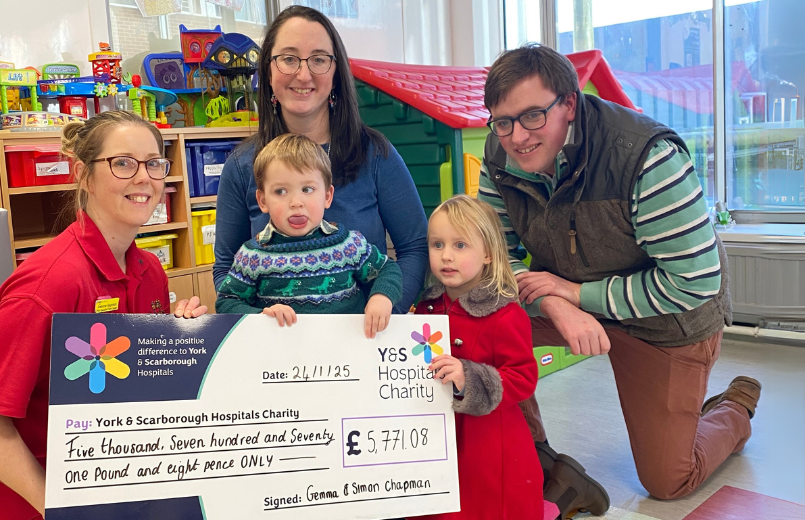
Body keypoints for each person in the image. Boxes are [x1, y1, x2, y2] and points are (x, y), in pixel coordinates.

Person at [478, 43, 760, 511]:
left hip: (668, 318)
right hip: (566, 296)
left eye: (532, 116)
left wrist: (577, 294)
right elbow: (494, 263)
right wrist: (554, 303)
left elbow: (693, 282)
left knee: (668, 480)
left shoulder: (648, 157)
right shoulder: (497, 155)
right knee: (477, 322)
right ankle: (535, 460)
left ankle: (733, 409)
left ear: (570, 104)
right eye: (502, 122)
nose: (517, 136)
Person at [0, 111, 206, 520]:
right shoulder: (49, 285)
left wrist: (175, 337)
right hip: (19, 499)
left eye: (154, 163)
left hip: (91, 481)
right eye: (123, 163)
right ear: (84, 175)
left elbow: (125, 376)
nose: (144, 178)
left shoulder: (148, 271)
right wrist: (56, 507)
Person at [214, 5, 427, 315]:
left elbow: (415, 248)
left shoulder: (375, 154)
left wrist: (384, 315)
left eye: (318, 59)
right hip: (276, 341)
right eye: (288, 58)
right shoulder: (241, 164)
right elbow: (226, 269)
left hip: (366, 336)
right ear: (268, 71)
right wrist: (258, 324)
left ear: (336, 72)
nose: (303, 74)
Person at [411, 195, 542, 520]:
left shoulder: (505, 314)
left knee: (480, 506)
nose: (446, 255)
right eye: (437, 244)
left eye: (460, 245)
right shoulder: (425, 307)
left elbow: (523, 378)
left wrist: (469, 377)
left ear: (488, 253)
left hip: (486, 443)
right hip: (433, 433)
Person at [216, 133, 401, 339]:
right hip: (283, 354)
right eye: (280, 191)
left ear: (327, 196)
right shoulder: (252, 256)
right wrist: (260, 317)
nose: (296, 202)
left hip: (348, 350)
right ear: (262, 200)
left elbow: (387, 269)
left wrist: (381, 296)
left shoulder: (348, 245)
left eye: (307, 189)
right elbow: (227, 302)